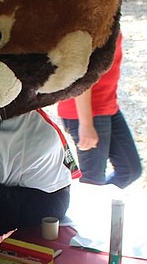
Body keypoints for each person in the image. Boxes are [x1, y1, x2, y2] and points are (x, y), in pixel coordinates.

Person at [57, 34, 142, 188]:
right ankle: (89, 201)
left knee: (130, 170)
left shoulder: (110, 21)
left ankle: (98, 198)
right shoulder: (93, 23)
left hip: (108, 105)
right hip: (86, 110)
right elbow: (80, 74)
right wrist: (86, 124)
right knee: (93, 179)